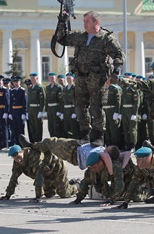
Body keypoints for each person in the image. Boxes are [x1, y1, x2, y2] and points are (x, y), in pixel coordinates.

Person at [55, 10, 125, 146]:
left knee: (96, 107)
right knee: (80, 107)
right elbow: (61, 39)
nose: (84, 24)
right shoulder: (80, 36)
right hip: (80, 77)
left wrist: (115, 72)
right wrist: (62, 21)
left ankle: (98, 136)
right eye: (84, 21)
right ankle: (85, 135)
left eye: (87, 21)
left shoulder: (106, 39)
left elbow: (119, 55)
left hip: (96, 79)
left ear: (96, 22)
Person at [0, 144, 78, 202]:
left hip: (57, 169)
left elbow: (39, 176)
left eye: (18, 157)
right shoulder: (17, 163)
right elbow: (14, 178)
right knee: (49, 194)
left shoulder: (34, 157)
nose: (18, 160)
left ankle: (77, 184)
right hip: (47, 173)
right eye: (15, 158)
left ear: (22, 152)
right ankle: (65, 183)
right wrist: (7, 195)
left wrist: (38, 197)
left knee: (64, 194)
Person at [71, 147, 141, 205]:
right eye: (91, 168)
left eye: (94, 167)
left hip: (131, 177)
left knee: (135, 196)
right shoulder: (92, 169)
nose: (93, 170)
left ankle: (149, 191)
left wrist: (111, 200)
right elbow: (85, 182)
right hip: (117, 179)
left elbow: (120, 184)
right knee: (108, 191)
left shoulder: (115, 166)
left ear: (101, 163)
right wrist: (78, 199)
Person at [102, 74, 122, 147]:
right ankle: (108, 145)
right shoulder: (103, 88)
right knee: (106, 129)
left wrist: (117, 112)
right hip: (105, 111)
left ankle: (115, 146)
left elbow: (118, 101)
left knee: (113, 130)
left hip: (112, 110)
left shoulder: (115, 88)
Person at [27, 72, 46, 143]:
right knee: (32, 127)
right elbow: (28, 101)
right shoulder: (31, 88)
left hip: (37, 109)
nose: (32, 79)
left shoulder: (39, 88)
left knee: (38, 126)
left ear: (37, 78)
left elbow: (43, 100)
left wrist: (41, 111)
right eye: (31, 78)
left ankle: (38, 142)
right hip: (31, 109)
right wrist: (27, 111)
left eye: (33, 78)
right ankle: (33, 142)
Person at [8, 76, 26, 146]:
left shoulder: (22, 90)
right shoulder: (12, 91)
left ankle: (22, 144)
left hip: (20, 111)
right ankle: (16, 143)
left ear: (20, 82)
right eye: (14, 82)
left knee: (20, 129)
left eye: (17, 81)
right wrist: (10, 113)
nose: (15, 83)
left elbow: (24, 102)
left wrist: (23, 113)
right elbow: (11, 103)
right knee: (14, 129)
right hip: (14, 112)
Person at [45, 72, 63, 138]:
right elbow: (46, 99)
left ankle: (57, 141)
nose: (51, 79)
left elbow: (61, 100)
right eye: (50, 77)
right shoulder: (47, 87)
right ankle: (51, 139)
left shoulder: (59, 87)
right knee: (50, 126)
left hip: (56, 108)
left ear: (55, 78)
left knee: (57, 126)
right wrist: (46, 110)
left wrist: (60, 111)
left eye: (53, 77)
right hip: (50, 108)